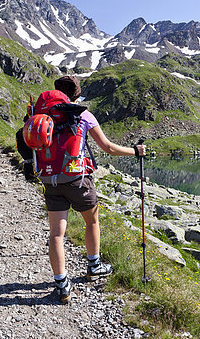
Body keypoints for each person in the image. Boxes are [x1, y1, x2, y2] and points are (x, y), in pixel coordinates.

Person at [45, 75, 146, 303]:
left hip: (51, 179)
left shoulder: (44, 115)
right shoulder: (82, 115)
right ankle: (94, 266)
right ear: (77, 94)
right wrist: (135, 151)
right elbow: (108, 147)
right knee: (91, 221)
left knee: (56, 234)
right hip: (78, 180)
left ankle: (62, 284)